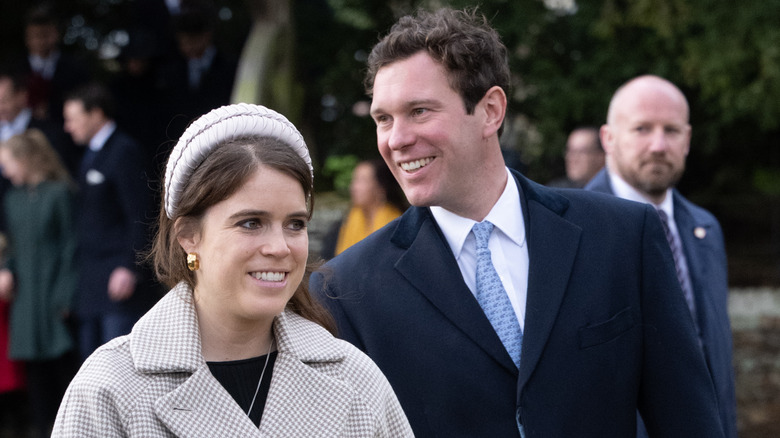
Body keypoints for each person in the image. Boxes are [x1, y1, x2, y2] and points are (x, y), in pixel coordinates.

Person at [310, 7, 725, 437]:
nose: (396, 139)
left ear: (490, 110)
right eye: (383, 119)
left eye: (419, 111)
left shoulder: (623, 236)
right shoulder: (345, 290)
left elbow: (688, 420)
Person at [52, 103, 413, 437]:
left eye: (295, 224)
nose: (280, 247)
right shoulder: (108, 390)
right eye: (251, 223)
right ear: (189, 236)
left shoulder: (355, 379)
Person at [585, 74, 737, 438]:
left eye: (671, 130)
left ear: (687, 140)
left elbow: (714, 358)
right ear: (608, 139)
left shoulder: (706, 230)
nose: (658, 145)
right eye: (641, 129)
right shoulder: (572, 232)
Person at [63, 83, 156, 361]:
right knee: (91, 362)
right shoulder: (90, 154)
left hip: (118, 278)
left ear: (96, 114)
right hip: (92, 278)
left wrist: (130, 266)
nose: (68, 127)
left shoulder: (124, 151)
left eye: (73, 118)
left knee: (117, 361)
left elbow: (141, 213)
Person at [0, 129, 79, 438]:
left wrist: (65, 295)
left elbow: (70, 245)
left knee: (63, 365)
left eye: (7, 162)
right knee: (34, 370)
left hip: (53, 294)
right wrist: (7, 269)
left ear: (24, 159)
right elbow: (14, 247)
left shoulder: (59, 192)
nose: (5, 170)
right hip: (26, 299)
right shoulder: (12, 199)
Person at [320, 158, 407, 259]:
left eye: (362, 181)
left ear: (381, 187)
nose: (353, 187)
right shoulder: (344, 224)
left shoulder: (399, 226)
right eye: (354, 180)